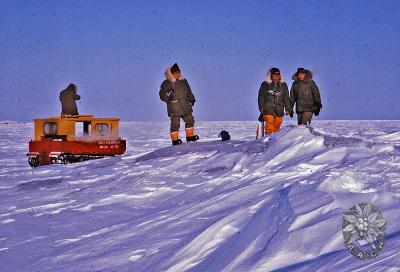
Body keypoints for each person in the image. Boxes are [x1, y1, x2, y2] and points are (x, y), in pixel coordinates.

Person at [159, 63, 199, 145]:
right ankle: (175, 140)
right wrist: (168, 96)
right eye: (175, 73)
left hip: (185, 105)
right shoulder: (166, 83)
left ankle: (190, 136)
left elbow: (188, 91)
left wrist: (192, 99)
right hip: (174, 107)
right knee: (175, 124)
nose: (177, 74)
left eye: (178, 72)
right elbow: (162, 95)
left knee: (190, 120)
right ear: (171, 74)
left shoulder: (184, 81)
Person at [258, 67, 293, 135]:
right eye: (275, 74)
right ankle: (268, 140)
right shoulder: (265, 84)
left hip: (279, 110)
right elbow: (261, 96)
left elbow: (286, 98)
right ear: (270, 75)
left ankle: (275, 142)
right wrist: (261, 107)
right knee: (270, 125)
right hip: (267, 109)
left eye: (278, 74)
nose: (277, 75)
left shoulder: (283, 85)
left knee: (277, 126)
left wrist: (288, 109)